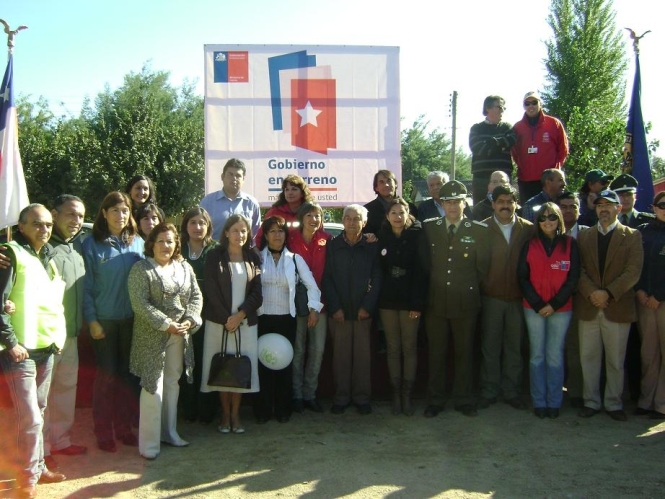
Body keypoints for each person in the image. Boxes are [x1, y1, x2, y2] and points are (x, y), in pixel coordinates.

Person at [0, 204, 67, 496]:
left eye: (49, 225)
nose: (45, 229)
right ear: (22, 226)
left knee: (38, 411)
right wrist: (11, 342)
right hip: (20, 350)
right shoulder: (10, 255)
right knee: (27, 417)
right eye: (37, 224)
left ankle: (37, 468)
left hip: (47, 346)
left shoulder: (48, 257)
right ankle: (24, 479)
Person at [128, 222, 202, 460]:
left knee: (172, 382)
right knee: (153, 386)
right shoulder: (141, 269)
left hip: (180, 334)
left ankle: (169, 432)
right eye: (160, 241)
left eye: (170, 241)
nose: (165, 245)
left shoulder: (184, 267)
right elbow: (140, 304)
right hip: (152, 336)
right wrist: (165, 324)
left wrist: (189, 319)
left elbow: (196, 296)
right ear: (151, 243)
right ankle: (149, 444)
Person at [420, 180, 490, 418]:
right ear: (442, 203)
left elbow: (482, 268)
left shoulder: (478, 230)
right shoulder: (430, 227)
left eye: (457, 202)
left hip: (465, 301)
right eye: (448, 202)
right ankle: (436, 399)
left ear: (464, 202)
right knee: (436, 353)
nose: (452, 206)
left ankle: (463, 398)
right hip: (436, 301)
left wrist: (465, 287)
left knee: (464, 353)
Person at [82, 191, 145, 452]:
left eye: (125, 211)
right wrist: (92, 320)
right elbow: (85, 287)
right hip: (104, 321)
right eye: (115, 210)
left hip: (130, 320)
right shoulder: (91, 244)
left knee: (125, 377)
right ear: (104, 213)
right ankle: (103, 431)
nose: (121, 216)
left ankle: (122, 427)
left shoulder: (137, 243)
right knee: (106, 377)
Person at [576, 190, 643, 422]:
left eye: (609, 204)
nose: (603, 209)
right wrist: (593, 293)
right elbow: (579, 270)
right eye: (599, 205)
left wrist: (608, 293)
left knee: (616, 360)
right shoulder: (584, 236)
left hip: (617, 306)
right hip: (589, 305)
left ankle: (614, 403)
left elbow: (633, 271)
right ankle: (591, 401)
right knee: (589, 358)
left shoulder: (632, 235)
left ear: (619, 208)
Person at [255, 216, 322, 423]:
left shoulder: (295, 259)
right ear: (265, 235)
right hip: (262, 319)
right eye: (273, 231)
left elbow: (312, 286)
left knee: (284, 365)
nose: (277, 235)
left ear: (286, 235)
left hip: (287, 320)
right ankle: (263, 410)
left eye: (281, 231)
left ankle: (283, 409)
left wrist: (314, 308)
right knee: (263, 364)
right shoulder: (256, 257)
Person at [200, 214, 262, 434]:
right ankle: (224, 415)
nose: (240, 235)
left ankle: (236, 415)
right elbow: (211, 291)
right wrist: (228, 318)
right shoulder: (214, 256)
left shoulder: (253, 257)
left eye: (244, 230)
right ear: (226, 232)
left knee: (240, 368)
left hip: (245, 324)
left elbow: (257, 293)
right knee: (222, 367)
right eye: (235, 230)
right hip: (219, 323)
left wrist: (240, 315)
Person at [518, 203, 580, 419]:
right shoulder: (529, 244)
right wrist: (537, 304)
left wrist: (554, 304)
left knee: (554, 356)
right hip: (533, 308)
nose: (547, 221)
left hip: (561, 309)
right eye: (543, 218)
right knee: (537, 355)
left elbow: (573, 279)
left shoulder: (570, 245)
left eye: (552, 217)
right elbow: (522, 277)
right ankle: (539, 401)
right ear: (538, 222)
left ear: (559, 219)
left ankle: (554, 401)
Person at [478, 185, 534, 411]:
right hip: (491, 298)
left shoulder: (528, 229)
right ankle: (489, 390)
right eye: (500, 201)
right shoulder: (482, 228)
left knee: (514, 348)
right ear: (493, 203)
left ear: (516, 204)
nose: (505, 205)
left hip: (518, 299)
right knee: (490, 347)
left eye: (510, 201)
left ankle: (511, 391)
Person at [323, 204, 382, 415]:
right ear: (342, 221)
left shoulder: (372, 246)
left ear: (364, 223)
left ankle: (361, 398)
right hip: (339, 313)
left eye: (356, 218)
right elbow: (327, 278)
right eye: (347, 218)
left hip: (363, 313)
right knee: (340, 358)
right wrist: (335, 307)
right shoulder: (333, 245)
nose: (351, 222)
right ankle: (341, 398)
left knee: (362, 358)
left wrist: (367, 306)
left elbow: (377, 277)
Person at [43, 195, 88, 468]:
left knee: (66, 389)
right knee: (44, 395)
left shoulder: (77, 249)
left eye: (81, 216)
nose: (76, 221)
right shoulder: (42, 248)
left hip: (71, 334)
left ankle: (61, 441)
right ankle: (43, 447)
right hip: (47, 337)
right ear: (54, 214)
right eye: (71, 214)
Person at [377, 198, 426, 415]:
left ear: (408, 214)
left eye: (401, 212)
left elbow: (422, 271)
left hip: (409, 300)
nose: (398, 216)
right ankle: (395, 393)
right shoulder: (381, 237)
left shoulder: (417, 236)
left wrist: (417, 303)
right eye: (393, 213)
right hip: (387, 299)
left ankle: (407, 394)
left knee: (409, 347)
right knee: (393, 348)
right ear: (387, 216)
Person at [609, 173, 654, 403]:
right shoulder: (605, 221)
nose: (624, 199)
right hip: (614, 295)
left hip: (642, 295)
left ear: (636, 197)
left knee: (640, 346)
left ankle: (637, 394)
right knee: (616, 349)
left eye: (628, 194)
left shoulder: (648, 223)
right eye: (620, 195)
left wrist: (641, 289)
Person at [288, 202, 332, 413]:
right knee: (298, 350)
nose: (314, 219)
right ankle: (296, 395)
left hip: (320, 305)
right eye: (310, 216)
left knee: (317, 351)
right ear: (302, 217)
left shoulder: (327, 240)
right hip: (296, 305)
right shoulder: (290, 239)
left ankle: (310, 394)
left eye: (317, 216)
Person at [178, 207, 219, 424]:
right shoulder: (177, 250)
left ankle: (207, 409)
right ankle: (188, 408)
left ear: (208, 226)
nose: (197, 227)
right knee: (185, 361)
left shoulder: (217, 250)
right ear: (186, 226)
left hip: (210, 315)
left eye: (202, 222)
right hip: (182, 316)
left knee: (206, 360)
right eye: (193, 222)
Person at [556, 191, 589, 408]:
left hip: (580, 299)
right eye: (564, 207)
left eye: (573, 206)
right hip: (552, 302)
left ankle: (576, 392)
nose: (568, 211)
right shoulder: (546, 231)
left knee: (576, 348)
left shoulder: (588, 234)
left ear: (580, 209)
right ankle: (553, 391)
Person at [634, 191, 665, 419]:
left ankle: (661, 404)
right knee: (648, 353)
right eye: (662, 205)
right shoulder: (643, 232)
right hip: (644, 301)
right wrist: (640, 290)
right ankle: (645, 401)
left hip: (662, 302)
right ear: (654, 207)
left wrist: (660, 295)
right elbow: (636, 265)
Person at [511, 91, 569, 203]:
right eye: (527, 103)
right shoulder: (518, 127)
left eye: (534, 102)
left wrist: (555, 170)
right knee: (528, 213)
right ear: (524, 106)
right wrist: (523, 166)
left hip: (549, 181)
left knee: (551, 212)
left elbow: (563, 149)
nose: (531, 106)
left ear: (540, 103)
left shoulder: (554, 123)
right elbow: (515, 152)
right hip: (526, 179)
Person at [469, 95, 517, 205]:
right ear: (488, 108)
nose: (502, 111)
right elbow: (477, 148)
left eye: (504, 108)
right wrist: (501, 146)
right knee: (480, 212)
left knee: (505, 208)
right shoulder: (476, 128)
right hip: (481, 178)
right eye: (499, 107)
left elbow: (512, 140)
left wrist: (492, 142)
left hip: (504, 177)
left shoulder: (507, 127)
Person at [200, 158, 261, 241]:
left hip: (243, 252)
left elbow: (256, 234)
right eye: (230, 174)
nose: (234, 178)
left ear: (243, 179)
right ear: (222, 177)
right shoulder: (208, 202)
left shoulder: (252, 203)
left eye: (238, 176)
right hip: (215, 252)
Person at [254, 174, 315, 245]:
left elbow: (319, 236)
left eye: (294, 189)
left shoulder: (311, 211)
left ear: (302, 193)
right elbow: (260, 237)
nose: (290, 193)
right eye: (287, 190)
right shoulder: (274, 212)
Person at [364, 170, 418, 235]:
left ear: (395, 184)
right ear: (376, 188)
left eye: (389, 181)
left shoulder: (411, 208)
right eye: (381, 182)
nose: (386, 185)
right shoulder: (367, 211)